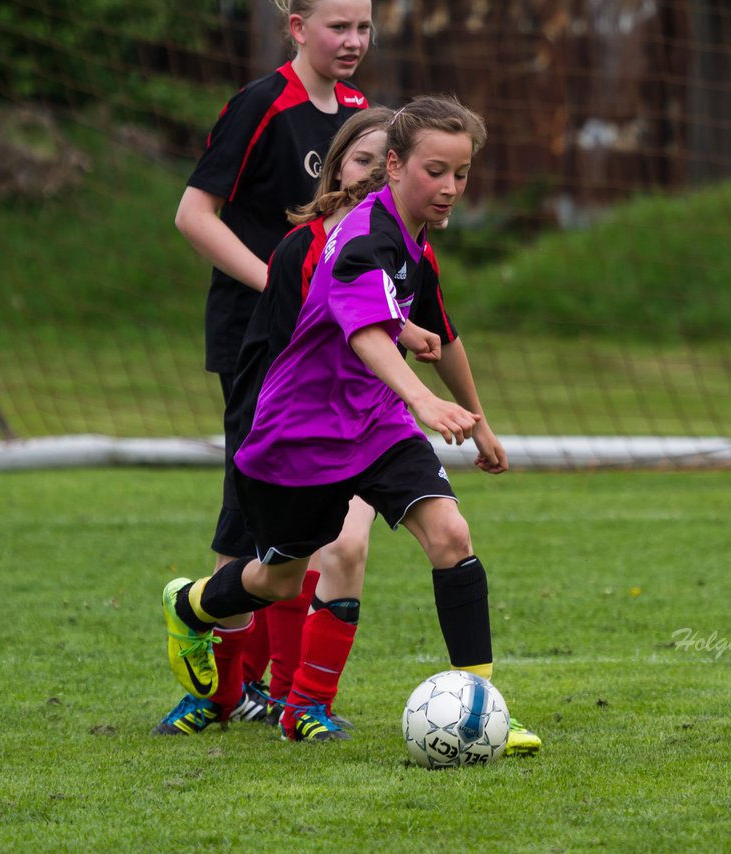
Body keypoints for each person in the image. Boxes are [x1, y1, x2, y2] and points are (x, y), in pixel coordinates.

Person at [161, 95, 543, 751]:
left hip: (376, 423)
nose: (450, 188)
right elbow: (364, 330)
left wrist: (476, 422)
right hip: (301, 436)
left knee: (451, 534)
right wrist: (425, 402)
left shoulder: (414, 238)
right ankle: (191, 605)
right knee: (276, 580)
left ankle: (481, 710)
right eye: (435, 171)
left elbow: (423, 330)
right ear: (393, 166)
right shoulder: (363, 237)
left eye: (461, 174)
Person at [156, 105, 403, 735]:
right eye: (362, 159)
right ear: (337, 165)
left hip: (362, 422)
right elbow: (294, 345)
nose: (375, 173)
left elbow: (405, 325)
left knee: (344, 546)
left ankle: (303, 705)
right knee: (253, 555)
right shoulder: (305, 246)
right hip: (280, 422)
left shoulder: (405, 243)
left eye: (388, 162)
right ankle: (219, 695)